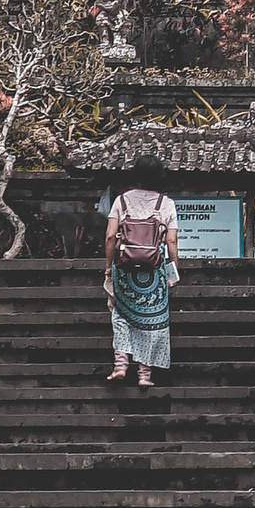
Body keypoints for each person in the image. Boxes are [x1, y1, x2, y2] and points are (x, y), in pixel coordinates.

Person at [100, 156, 180, 391]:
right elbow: (172, 240)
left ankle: (120, 365)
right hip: (153, 272)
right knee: (150, 320)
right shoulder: (166, 203)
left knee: (121, 315)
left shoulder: (121, 201)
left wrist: (108, 266)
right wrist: (173, 269)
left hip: (124, 269)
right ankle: (145, 373)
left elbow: (110, 236)